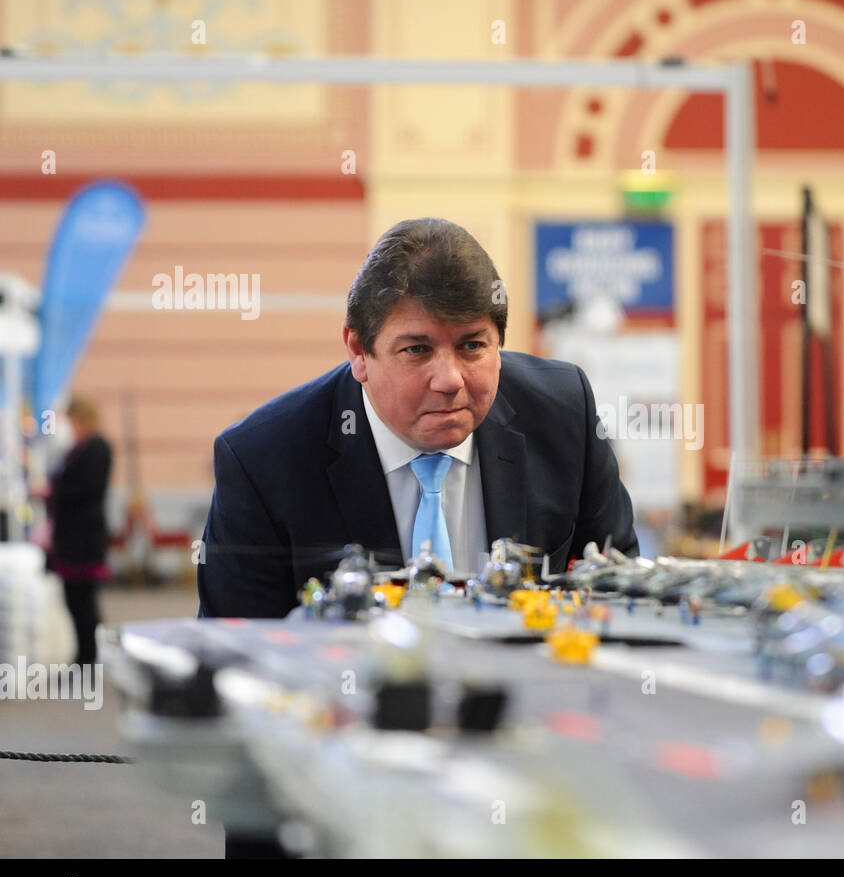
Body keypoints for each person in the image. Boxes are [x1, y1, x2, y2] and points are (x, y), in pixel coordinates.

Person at [198, 218, 638, 618]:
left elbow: (623, 596)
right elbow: (233, 653)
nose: (449, 380)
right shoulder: (263, 460)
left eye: (472, 346)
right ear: (358, 351)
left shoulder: (563, 414)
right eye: (417, 350)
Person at [47, 396, 113, 665]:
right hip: (72, 536)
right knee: (76, 599)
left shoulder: (97, 447)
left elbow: (90, 488)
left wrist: (54, 491)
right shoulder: (78, 448)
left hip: (83, 538)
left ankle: (90, 655)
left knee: (84, 600)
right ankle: (86, 653)